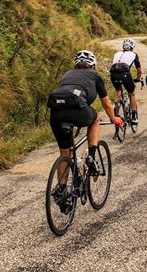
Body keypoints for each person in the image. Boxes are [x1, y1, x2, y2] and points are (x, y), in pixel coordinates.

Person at [48, 50, 122, 205]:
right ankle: (91, 156)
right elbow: (106, 103)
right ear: (93, 65)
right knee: (96, 119)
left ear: (76, 65)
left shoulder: (67, 74)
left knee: (65, 152)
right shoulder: (94, 76)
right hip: (77, 109)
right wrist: (114, 118)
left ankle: (62, 189)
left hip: (56, 113)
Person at [110, 38, 142, 125]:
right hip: (124, 73)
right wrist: (138, 79)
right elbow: (139, 70)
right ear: (132, 47)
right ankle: (134, 117)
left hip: (113, 72)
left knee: (117, 90)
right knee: (131, 93)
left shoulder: (117, 53)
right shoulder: (134, 54)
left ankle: (115, 110)